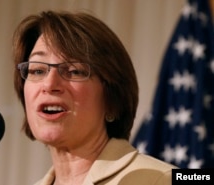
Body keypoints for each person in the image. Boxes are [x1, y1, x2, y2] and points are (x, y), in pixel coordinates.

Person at [13, 10, 176, 185]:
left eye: (74, 71)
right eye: (37, 70)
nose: (49, 84)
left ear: (111, 98)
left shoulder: (163, 179)